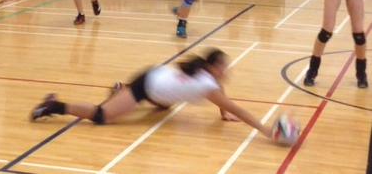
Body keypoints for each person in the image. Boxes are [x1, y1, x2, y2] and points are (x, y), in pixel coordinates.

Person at [30, 48, 273, 141]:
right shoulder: (206, 85)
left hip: (157, 83)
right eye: (223, 66)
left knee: (165, 107)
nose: (226, 71)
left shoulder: (207, 77)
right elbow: (237, 108)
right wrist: (267, 131)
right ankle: (54, 105)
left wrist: (223, 113)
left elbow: (221, 94)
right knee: (103, 116)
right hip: (146, 86)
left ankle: (120, 91)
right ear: (212, 68)